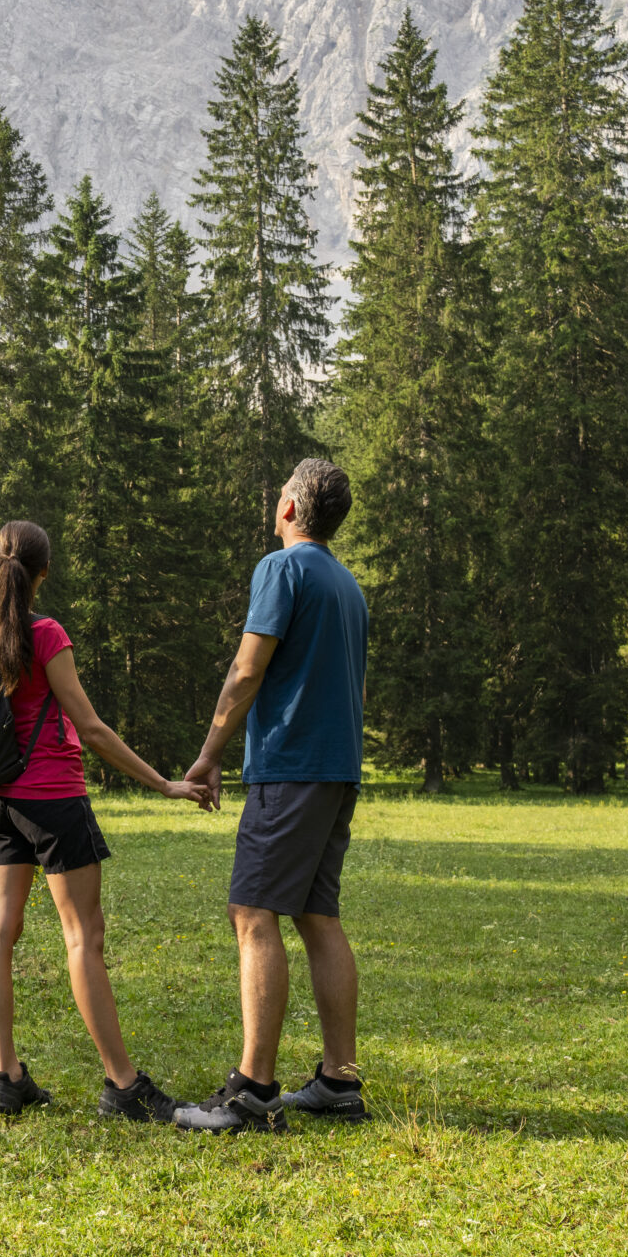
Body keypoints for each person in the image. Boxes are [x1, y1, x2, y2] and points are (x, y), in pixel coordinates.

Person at [0, 519, 208, 1124]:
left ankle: (7, 1077)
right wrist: (164, 783)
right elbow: (92, 729)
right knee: (83, 938)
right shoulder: (46, 634)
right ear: (43, 573)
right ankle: (123, 1086)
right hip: (53, 799)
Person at [173, 459, 372, 1132]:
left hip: (290, 768)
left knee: (252, 911)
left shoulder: (281, 569)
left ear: (289, 507)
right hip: (337, 770)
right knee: (318, 916)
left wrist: (209, 754)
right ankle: (339, 1081)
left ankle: (253, 1091)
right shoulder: (348, 586)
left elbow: (247, 668)